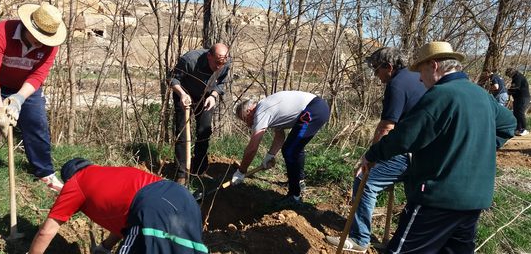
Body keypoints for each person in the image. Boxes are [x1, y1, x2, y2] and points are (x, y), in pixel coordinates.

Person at [358, 41, 516, 253]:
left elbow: (405, 138)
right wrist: (478, 147)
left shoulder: (441, 95)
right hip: (475, 199)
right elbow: (509, 125)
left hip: (439, 197)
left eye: (421, 72)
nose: (420, 79)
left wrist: (372, 154)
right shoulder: (480, 94)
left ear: (433, 65)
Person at [0, 3, 66, 204]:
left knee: (37, 122)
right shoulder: (0, 33)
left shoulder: (51, 44)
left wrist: (19, 99)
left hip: (23, 86)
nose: (42, 43)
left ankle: (44, 171)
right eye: (38, 37)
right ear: (28, 27)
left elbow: (38, 75)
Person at [324, 47, 427, 252]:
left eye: (376, 69)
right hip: (425, 153)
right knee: (413, 197)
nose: (375, 74)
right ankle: (400, 244)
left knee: (364, 180)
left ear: (389, 67)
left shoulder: (396, 84)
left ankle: (359, 239)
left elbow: (387, 126)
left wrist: (370, 157)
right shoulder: (417, 78)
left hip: (408, 152)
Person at [28, 158, 208, 254]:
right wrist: (105, 247)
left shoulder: (75, 182)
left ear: (69, 177)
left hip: (152, 205)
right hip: (185, 199)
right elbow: (127, 221)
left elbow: (46, 231)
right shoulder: (109, 174)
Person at [231, 91, 330, 204]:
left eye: (245, 120)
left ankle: (294, 195)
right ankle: (299, 181)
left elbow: (253, 147)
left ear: (248, 112)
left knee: (290, 150)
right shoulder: (267, 107)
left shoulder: (261, 112)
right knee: (295, 147)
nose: (247, 124)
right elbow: (280, 136)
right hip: (317, 106)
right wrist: (270, 156)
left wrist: (241, 171)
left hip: (313, 109)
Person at [170, 43, 231, 184]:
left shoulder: (225, 62)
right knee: (183, 132)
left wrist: (213, 96)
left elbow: (221, 82)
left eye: (222, 63)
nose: (219, 67)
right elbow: (172, 79)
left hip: (206, 96)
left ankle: (199, 170)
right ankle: (182, 173)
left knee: (204, 131)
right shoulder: (189, 60)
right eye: (216, 63)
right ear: (209, 56)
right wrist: (182, 94)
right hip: (184, 94)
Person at [505, 68, 531, 136]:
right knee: (516, 113)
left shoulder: (518, 77)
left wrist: (508, 91)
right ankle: (518, 128)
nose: (509, 77)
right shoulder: (516, 77)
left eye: (508, 75)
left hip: (523, 98)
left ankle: (524, 129)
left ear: (511, 73)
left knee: (520, 113)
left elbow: (515, 88)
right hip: (518, 98)